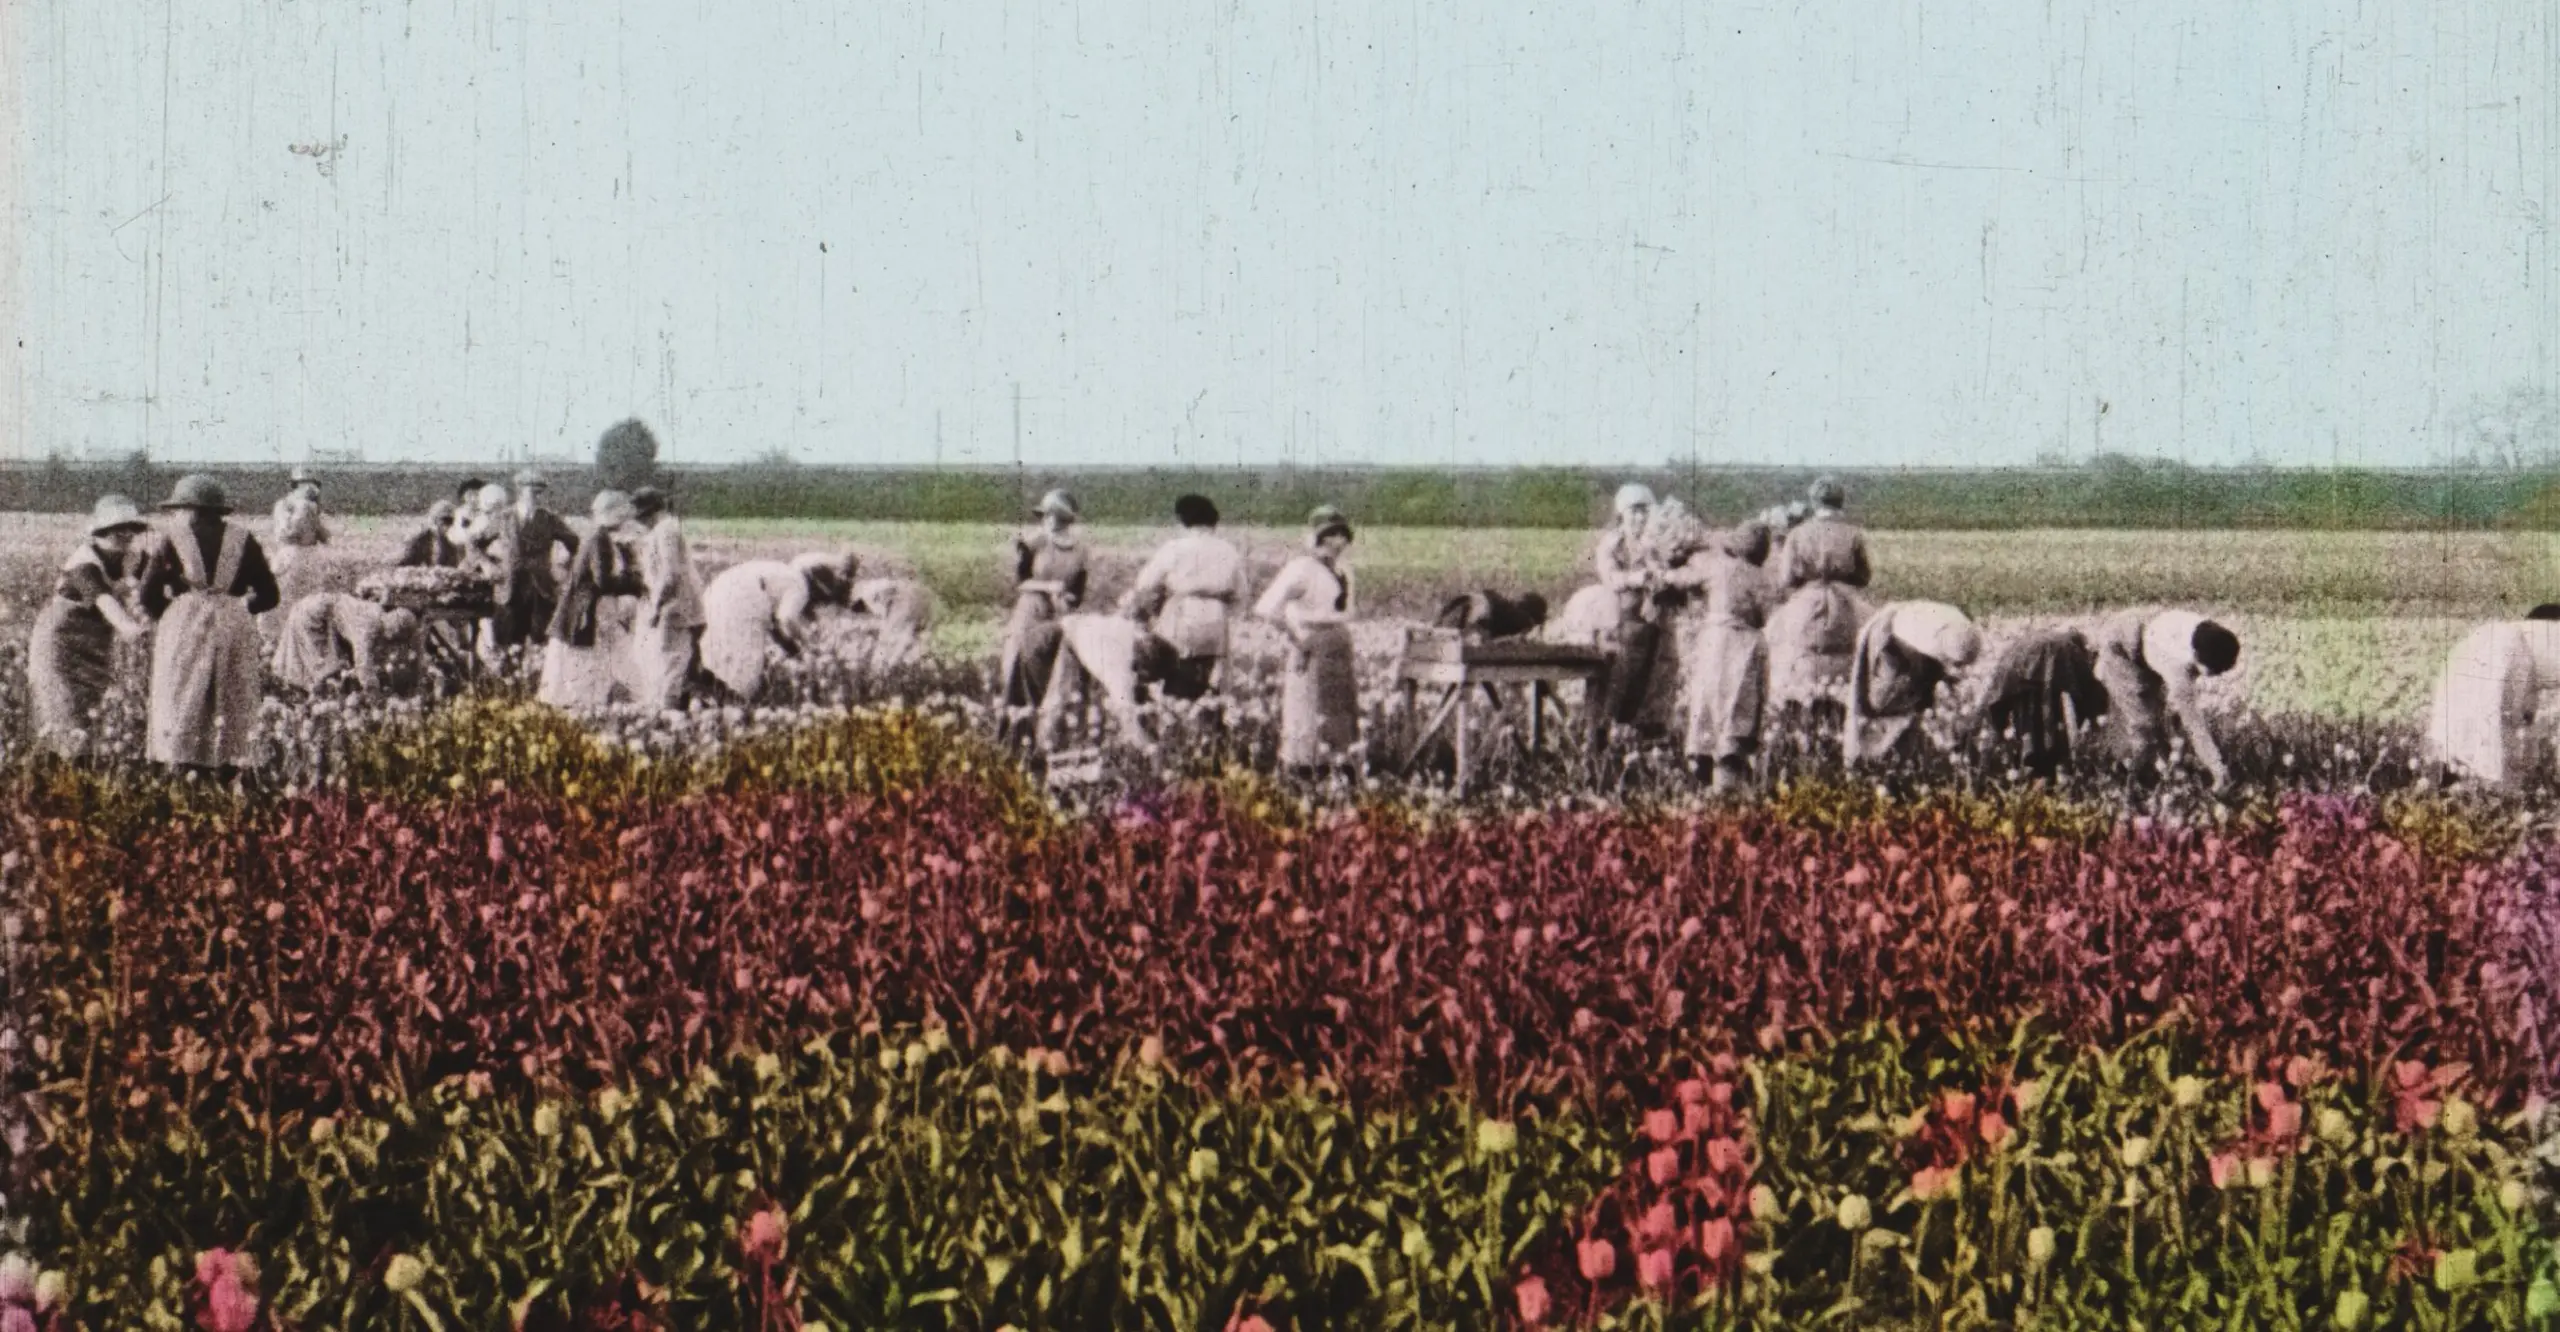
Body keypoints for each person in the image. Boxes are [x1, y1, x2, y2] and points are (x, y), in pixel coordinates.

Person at [136, 475, 279, 775]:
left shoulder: (171, 538)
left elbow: (147, 595)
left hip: (184, 623)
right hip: (233, 622)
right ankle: (230, 768)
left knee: (179, 696)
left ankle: (180, 767)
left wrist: (174, 612)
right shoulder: (244, 539)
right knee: (232, 695)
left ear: (187, 509)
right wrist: (237, 608)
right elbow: (269, 595)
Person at [25, 495, 152, 759]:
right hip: (60, 644)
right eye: (116, 529)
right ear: (100, 532)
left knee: (90, 713)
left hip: (95, 642)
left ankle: (80, 777)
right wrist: (130, 628)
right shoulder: (83, 564)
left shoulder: (136, 559)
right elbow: (104, 601)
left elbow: (162, 581)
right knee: (63, 711)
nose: (125, 534)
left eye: (130, 528)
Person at [1661, 518, 1774, 792]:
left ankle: (1702, 766)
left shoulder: (1717, 567)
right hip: (1745, 644)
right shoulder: (1760, 578)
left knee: (1707, 701)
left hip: (1713, 640)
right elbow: (1764, 615)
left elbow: (1676, 579)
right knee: (1738, 705)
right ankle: (1729, 773)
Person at [1254, 506, 1360, 773]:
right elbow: (1267, 609)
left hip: (1339, 643)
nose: (1337, 543)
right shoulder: (1301, 568)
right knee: (1308, 707)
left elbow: (1344, 610)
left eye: (1341, 536)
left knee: (1339, 708)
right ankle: (1304, 768)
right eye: (1329, 536)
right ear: (1316, 538)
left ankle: (1338, 764)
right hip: (1311, 642)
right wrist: (1298, 642)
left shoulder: (1344, 570)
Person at [2083, 608, 2241, 788]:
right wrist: (2217, 767)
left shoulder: (2206, 633)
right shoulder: (2178, 668)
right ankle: (2125, 783)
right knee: (2143, 724)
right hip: (2121, 648)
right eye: (2212, 671)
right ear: (2195, 655)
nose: (2214, 676)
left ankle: (2167, 773)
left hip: (2147, 635)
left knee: (2159, 718)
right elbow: (2193, 724)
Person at [1764, 475, 1873, 716]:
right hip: (1844, 603)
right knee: (1844, 657)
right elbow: (1864, 576)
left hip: (1805, 602)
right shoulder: (1853, 535)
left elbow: (1786, 579)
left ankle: (1800, 712)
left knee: (1797, 653)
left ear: (1814, 502)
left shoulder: (1799, 534)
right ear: (1840, 502)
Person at [1121, 494, 1247, 702]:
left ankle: (1175, 713)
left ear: (1183, 521)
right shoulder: (1228, 550)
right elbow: (1241, 594)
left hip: (1183, 616)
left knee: (1176, 671)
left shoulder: (1176, 547)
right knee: (1206, 675)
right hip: (1216, 620)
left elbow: (1145, 582)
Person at [697, 551, 861, 703]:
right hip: (743, 603)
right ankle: (731, 709)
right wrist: (806, 646)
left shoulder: (783, 576)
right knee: (745, 673)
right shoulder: (799, 585)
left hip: (717, 592)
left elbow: (776, 628)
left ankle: (707, 701)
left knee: (718, 657)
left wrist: (793, 649)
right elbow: (787, 619)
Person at [539, 491, 647, 710]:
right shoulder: (598, 538)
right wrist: (636, 584)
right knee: (585, 663)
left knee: (615, 655)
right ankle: (589, 706)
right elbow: (603, 581)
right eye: (623, 518)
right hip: (586, 613)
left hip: (597, 611)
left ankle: (606, 702)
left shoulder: (603, 538)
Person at [1842, 600, 1982, 768]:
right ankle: (1872, 756)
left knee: (1917, 702)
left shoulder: (1963, 634)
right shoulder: (1922, 645)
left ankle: (1906, 753)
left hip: (1910, 635)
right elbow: (1918, 668)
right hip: (1890, 635)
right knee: (1881, 702)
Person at [1036, 612, 1192, 756]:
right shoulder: (1118, 671)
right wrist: (1149, 747)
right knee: (1068, 709)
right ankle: (1048, 754)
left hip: (1083, 623)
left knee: (1088, 711)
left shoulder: (1136, 635)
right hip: (1069, 640)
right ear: (1144, 671)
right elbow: (1127, 719)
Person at [1971, 626, 2112, 778]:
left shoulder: (2034, 643)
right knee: (2045, 731)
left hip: (2017, 667)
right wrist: (2095, 718)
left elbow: (1999, 691)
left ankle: (1984, 773)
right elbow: (2089, 690)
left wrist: (1996, 724)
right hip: (2037, 677)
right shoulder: (2068, 647)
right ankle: (2044, 767)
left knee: (2016, 719)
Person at [998, 489, 1092, 713]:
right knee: (1017, 659)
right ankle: (1016, 715)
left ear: (1064, 519)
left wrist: (1067, 598)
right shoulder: (1034, 543)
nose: (1048, 521)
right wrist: (1047, 587)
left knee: (1057, 669)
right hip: (1032, 607)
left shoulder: (1080, 550)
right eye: (1046, 516)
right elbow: (1020, 582)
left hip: (1060, 611)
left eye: (1053, 516)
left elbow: (1078, 591)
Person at [1591, 483, 1669, 738]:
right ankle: (1609, 724)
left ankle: (1634, 725)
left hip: (1646, 617)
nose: (1640, 518)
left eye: (1644, 512)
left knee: (1647, 673)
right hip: (1618, 613)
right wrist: (1635, 579)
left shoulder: (1651, 545)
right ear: (1622, 513)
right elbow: (1610, 577)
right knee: (1623, 672)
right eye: (1634, 512)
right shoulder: (1612, 544)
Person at [628, 485, 706, 710]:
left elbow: (670, 574)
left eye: (642, 517)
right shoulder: (664, 529)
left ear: (651, 513)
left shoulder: (665, 530)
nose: (641, 523)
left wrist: (656, 606)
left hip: (675, 606)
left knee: (670, 661)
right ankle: (677, 708)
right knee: (674, 660)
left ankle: (668, 711)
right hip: (675, 604)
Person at [269, 592, 420, 695]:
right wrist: (373, 690)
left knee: (320, 667)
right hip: (314, 616)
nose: (391, 640)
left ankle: (310, 698)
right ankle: (312, 705)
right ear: (395, 629)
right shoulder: (370, 627)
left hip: (316, 605)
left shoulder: (377, 610)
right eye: (397, 636)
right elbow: (363, 660)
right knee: (318, 668)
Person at [499, 469, 581, 647]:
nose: (536, 497)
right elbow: (473, 542)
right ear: (520, 490)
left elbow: (575, 542)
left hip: (541, 586)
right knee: (510, 640)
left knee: (540, 638)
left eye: (539, 493)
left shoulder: (549, 518)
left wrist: (566, 566)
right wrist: (487, 564)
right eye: (532, 492)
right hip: (511, 586)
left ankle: (536, 672)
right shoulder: (503, 518)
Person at [265, 468, 331, 639]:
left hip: (297, 554)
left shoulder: (291, 505)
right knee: (297, 602)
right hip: (298, 554)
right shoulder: (299, 505)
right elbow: (291, 533)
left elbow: (323, 535)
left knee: (293, 602)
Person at [398, 499, 464, 568]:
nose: (448, 526)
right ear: (434, 521)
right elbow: (403, 567)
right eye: (445, 521)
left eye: (452, 521)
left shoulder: (457, 542)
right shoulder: (420, 541)